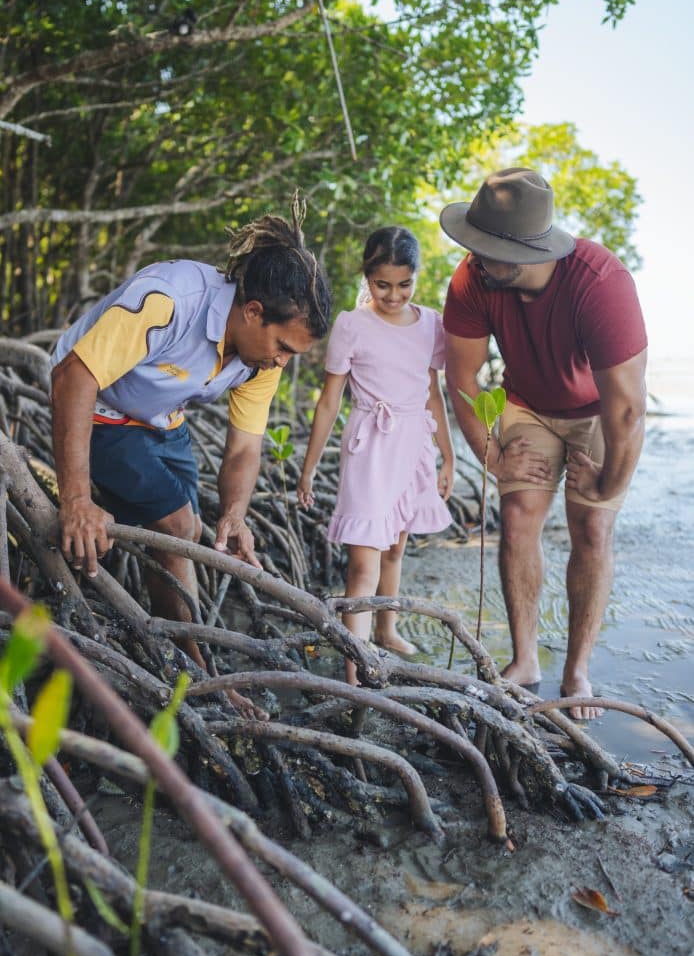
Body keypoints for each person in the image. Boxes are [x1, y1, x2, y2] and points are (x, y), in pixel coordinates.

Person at [51, 199, 331, 717]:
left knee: (190, 532)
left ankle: (182, 663)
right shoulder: (170, 299)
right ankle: (195, 673)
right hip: (100, 410)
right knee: (179, 527)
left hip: (163, 420)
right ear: (252, 312)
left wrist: (236, 514)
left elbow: (245, 446)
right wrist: (77, 499)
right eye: (283, 347)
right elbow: (74, 376)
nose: (282, 362)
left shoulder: (260, 359)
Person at [441, 168, 648, 719]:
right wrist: (492, 456)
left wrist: (608, 482)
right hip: (528, 403)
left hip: (597, 414)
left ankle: (576, 670)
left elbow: (627, 408)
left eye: (485, 250)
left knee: (593, 525)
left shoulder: (600, 283)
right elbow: (461, 380)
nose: (472, 258)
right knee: (517, 516)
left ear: (523, 252)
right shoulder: (472, 279)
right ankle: (525, 659)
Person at [298, 226, 454, 684]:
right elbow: (329, 400)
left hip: (413, 443)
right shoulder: (352, 325)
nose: (393, 295)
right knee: (363, 562)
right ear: (367, 277)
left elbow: (434, 394)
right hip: (370, 445)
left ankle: (386, 629)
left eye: (404, 284)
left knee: (396, 546)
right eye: (382, 284)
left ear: (416, 278)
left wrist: (447, 456)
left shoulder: (431, 324)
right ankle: (355, 665)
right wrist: (308, 468)